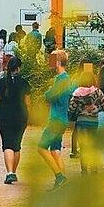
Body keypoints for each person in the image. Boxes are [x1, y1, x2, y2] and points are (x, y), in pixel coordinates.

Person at [37, 49, 75, 191]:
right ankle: (61, 183)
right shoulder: (66, 79)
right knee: (55, 150)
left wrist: (48, 92)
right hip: (62, 119)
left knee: (41, 148)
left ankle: (60, 177)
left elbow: (50, 96)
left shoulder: (61, 80)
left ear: (58, 62)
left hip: (56, 120)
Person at [0, 56, 31, 184]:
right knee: (16, 145)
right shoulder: (24, 83)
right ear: (19, 68)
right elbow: (28, 102)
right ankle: (14, 172)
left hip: (4, 115)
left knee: (7, 144)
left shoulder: (1, 82)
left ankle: (9, 172)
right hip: (20, 115)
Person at [69, 69, 104, 174]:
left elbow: (71, 108)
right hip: (94, 122)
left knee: (83, 147)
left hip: (81, 121)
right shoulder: (98, 92)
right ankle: (94, 169)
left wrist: (75, 114)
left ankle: (84, 170)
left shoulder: (77, 93)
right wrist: (96, 108)